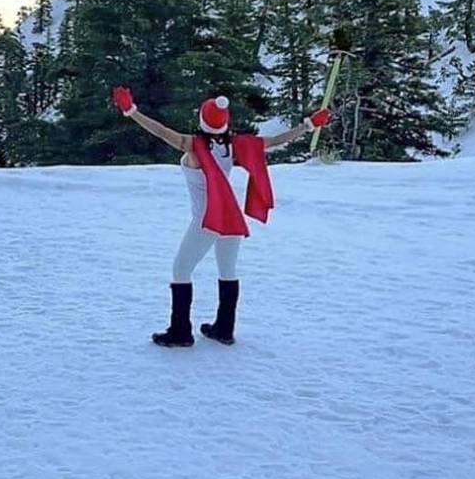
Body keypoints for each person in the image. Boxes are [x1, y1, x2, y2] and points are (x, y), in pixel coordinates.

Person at [111, 86, 330, 347]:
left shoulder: (192, 146)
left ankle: (180, 331)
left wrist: (131, 111)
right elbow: (275, 140)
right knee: (228, 270)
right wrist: (308, 125)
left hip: (207, 220)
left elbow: (159, 130)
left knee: (181, 269)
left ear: (202, 120)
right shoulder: (234, 145)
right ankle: (224, 328)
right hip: (231, 217)